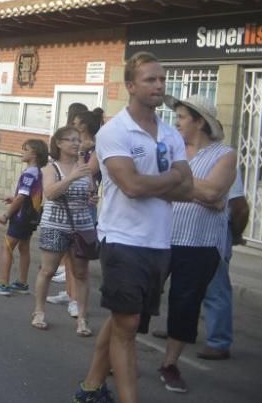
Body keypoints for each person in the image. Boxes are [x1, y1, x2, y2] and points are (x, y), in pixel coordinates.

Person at [74, 52, 192, 403]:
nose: (158, 85)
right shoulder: (115, 131)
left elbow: (187, 190)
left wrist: (159, 181)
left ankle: (91, 387)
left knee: (124, 319)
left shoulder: (170, 134)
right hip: (123, 240)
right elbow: (132, 186)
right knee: (126, 327)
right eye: (149, 79)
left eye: (161, 79)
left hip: (159, 241)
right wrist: (171, 177)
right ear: (130, 86)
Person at [152, 94, 236, 393]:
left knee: (185, 306)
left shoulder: (224, 154)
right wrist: (199, 190)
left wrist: (175, 178)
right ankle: (117, 355)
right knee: (139, 298)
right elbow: (150, 181)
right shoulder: (171, 150)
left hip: (199, 244)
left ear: (200, 121)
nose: (176, 122)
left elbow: (214, 192)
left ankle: (170, 365)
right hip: (159, 237)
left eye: (182, 117)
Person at [30, 126, 96, 337]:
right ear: (58, 143)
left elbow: (90, 193)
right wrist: (71, 177)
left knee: (81, 273)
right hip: (55, 226)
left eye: (78, 139)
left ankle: (82, 318)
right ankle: (39, 312)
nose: (76, 143)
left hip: (82, 227)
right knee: (48, 271)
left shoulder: (84, 167)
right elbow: (49, 193)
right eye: (71, 140)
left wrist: (92, 199)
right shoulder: (51, 168)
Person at [0, 138, 47, 296]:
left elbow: (22, 197)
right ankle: (22, 282)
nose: (22, 152)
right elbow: (28, 196)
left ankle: (3, 284)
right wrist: (13, 199)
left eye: (25, 149)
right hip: (30, 217)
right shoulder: (38, 173)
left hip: (21, 217)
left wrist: (7, 214)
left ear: (34, 154)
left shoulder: (29, 173)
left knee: (6, 247)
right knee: (23, 247)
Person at [197, 172, 245, 360]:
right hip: (186, 234)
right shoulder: (183, 153)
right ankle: (182, 329)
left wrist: (236, 235)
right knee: (186, 286)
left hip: (213, 236)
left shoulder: (224, 159)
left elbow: (240, 207)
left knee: (215, 287)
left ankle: (219, 342)